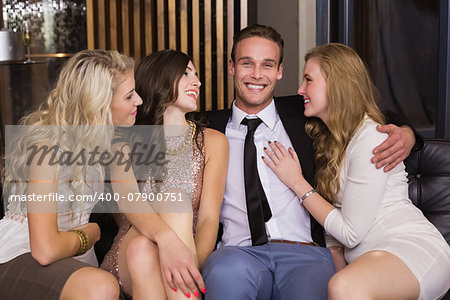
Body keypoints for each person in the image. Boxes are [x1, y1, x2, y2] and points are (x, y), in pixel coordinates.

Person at [202, 24, 417, 299]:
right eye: (247, 63)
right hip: (236, 253)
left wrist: (408, 133)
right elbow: (153, 124)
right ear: (232, 67)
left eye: (267, 65)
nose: (257, 74)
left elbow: (364, 110)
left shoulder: (304, 111)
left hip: (306, 254)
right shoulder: (205, 127)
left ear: (279, 71)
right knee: (224, 277)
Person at [262, 43, 450, 300]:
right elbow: (335, 234)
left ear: (337, 85)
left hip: (407, 248)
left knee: (344, 287)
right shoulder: (326, 138)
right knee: (341, 286)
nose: (299, 90)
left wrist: (297, 182)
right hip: (366, 260)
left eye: (308, 80)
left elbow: (350, 232)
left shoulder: (371, 137)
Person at [0, 49, 143, 299]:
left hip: (69, 254)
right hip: (20, 254)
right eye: (130, 95)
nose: (139, 101)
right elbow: (44, 250)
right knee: (101, 287)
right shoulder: (48, 147)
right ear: (98, 103)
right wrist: (92, 233)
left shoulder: (110, 142)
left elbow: (134, 203)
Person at [100, 49, 228, 300]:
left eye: (197, 74)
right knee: (172, 204)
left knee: (143, 250)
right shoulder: (124, 142)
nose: (197, 81)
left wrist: (193, 266)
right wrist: (168, 241)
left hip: (181, 256)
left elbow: (209, 219)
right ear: (160, 79)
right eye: (186, 73)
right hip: (127, 254)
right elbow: (129, 202)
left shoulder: (214, 142)